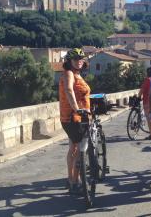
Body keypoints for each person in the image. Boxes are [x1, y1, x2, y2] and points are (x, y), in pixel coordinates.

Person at [58, 48, 91, 194]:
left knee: (73, 147)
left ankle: (71, 178)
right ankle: (75, 180)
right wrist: (77, 109)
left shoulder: (76, 74)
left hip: (73, 116)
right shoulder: (69, 74)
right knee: (78, 149)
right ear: (69, 61)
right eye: (76, 59)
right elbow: (69, 90)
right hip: (74, 117)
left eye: (81, 59)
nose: (79, 61)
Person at [137, 67, 151, 140]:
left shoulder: (148, 80)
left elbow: (142, 90)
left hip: (147, 102)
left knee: (149, 119)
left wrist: (138, 97)